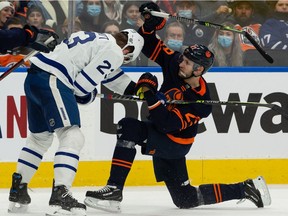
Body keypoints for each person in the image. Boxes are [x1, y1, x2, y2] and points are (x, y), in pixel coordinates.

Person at [84, 1, 271, 213]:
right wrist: (149, 25)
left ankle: (113, 191)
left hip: (175, 143)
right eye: (183, 58)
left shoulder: (201, 103)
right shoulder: (176, 64)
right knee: (186, 199)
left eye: (188, 62)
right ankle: (246, 188)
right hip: (161, 133)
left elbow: (167, 124)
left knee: (128, 127)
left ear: (199, 70)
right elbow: (148, 44)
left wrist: (150, 95)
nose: (181, 62)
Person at [8, 28, 144, 216]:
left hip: (35, 78)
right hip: (53, 79)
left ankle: (18, 190)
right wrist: (91, 95)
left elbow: (111, 76)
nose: (123, 60)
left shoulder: (97, 40)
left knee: (39, 139)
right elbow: (81, 89)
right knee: (72, 136)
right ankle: (61, 194)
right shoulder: (114, 51)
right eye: (126, 57)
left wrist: (138, 90)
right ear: (128, 49)